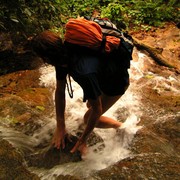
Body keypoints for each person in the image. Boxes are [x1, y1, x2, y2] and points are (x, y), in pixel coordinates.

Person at [31, 28, 130, 154]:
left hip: (116, 83)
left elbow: (97, 110)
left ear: (46, 57)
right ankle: (117, 125)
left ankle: (121, 127)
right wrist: (60, 126)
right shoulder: (62, 55)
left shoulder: (83, 71)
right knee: (91, 105)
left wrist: (83, 140)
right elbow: (60, 91)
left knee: (88, 117)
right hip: (101, 76)